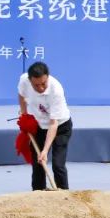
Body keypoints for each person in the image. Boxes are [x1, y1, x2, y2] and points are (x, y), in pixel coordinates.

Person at [18, 61, 72, 190]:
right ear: (30, 80)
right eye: (36, 85)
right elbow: (21, 95)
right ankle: (38, 194)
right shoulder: (24, 80)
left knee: (58, 165)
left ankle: (64, 195)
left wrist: (45, 150)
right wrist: (24, 115)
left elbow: (53, 124)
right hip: (39, 125)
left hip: (60, 127)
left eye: (43, 83)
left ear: (47, 77)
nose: (41, 88)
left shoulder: (56, 90)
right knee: (38, 163)